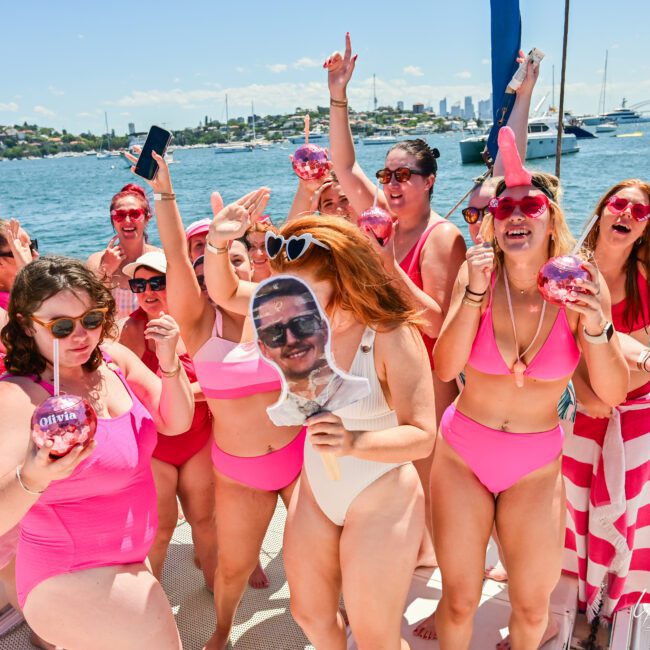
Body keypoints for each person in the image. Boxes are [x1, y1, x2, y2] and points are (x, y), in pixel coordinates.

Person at [206, 206, 436, 649]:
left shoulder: (388, 333)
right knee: (309, 614)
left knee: (374, 637)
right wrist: (219, 240)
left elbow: (423, 435)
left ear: (342, 275)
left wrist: (354, 440)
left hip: (381, 494)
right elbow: (227, 290)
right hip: (317, 491)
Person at [431, 138, 628, 649]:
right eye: (504, 208)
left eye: (529, 206)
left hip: (535, 466)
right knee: (457, 599)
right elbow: (446, 365)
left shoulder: (582, 285)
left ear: (550, 217)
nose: (515, 216)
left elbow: (608, 396)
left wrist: (598, 326)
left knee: (532, 606)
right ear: (494, 221)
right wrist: (472, 294)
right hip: (462, 456)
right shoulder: (479, 274)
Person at [123, 148, 302, 649]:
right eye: (206, 265)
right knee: (232, 571)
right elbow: (176, 255)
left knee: (318, 556)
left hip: (300, 456)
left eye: (234, 258)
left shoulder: (282, 305)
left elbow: (294, 248)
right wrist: (164, 189)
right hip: (239, 465)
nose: (216, 270)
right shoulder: (200, 324)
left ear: (250, 261)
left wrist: (304, 192)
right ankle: (221, 632)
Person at [0, 256, 194, 649]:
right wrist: (34, 477)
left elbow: (176, 422)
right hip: (67, 575)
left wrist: (170, 363)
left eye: (91, 319)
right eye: (61, 326)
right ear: (24, 323)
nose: (80, 336)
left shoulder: (113, 362)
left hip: (125, 564)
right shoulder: (17, 397)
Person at [325, 34, 466, 560]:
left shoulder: (442, 239)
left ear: (428, 182)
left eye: (403, 175)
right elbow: (344, 168)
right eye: (387, 175)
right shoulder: (380, 216)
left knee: (431, 484)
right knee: (387, 482)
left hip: (429, 377)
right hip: (378, 371)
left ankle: (442, 574)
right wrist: (338, 95)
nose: (392, 184)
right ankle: (406, 560)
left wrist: (388, 269)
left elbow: (439, 325)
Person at [564, 179, 650, 619]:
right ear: (601, 210)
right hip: (585, 411)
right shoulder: (570, 271)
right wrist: (581, 386)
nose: (627, 216)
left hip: (638, 417)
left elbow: (629, 354)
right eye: (619, 205)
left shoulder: (645, 278)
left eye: (640, 213)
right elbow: (558, 343)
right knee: (573, 512)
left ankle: (620, 601)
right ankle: (574, 598)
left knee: (632, 515)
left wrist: (625, 359)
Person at [118, 250, 217, 588]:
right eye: (139, 284)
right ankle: (149, 604)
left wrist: (175, 390)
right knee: (160, 530)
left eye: (157, 282)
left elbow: (223, 382)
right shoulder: (133, 329)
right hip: (157, 447)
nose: (148, 291)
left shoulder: (197, 323)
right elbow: (124, 389)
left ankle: (217, 598)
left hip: (198, 440)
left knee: (205, 521)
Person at [253, 276, 369, 425]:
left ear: (324, 328)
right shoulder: (282, 415)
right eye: (275, 333)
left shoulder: (355, 390)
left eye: (302, 323)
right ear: (263, 349)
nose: (291, 339)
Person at [87, 183, 160, 320]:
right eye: (119, 215)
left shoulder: (160, 259)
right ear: (113, 221)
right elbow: (90, 312)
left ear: (146, 218)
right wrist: (105, 271)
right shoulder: (96, 261)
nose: (127, 221)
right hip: (113, 340)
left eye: (134, 214)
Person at [243, 218, 276, 282]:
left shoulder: (286, 282)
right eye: (252, 246)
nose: (258, 253)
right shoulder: (240, 279)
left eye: (264, 246)